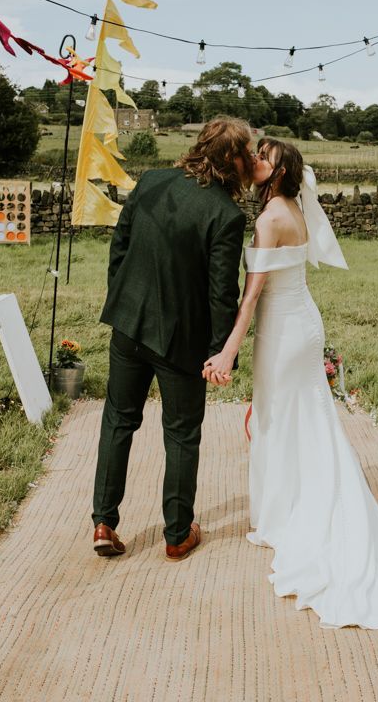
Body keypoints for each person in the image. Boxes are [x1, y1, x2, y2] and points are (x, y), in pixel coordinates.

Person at [203, 138, 378, 628]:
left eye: (264, 157)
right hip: (300, 322)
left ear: (280, 173)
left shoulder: (269, 220)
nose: (255, 159)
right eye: (256, 152)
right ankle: (291, 505)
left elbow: (250, 297)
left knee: (282, 418)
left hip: (283, 332)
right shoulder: (293, 211)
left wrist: (227, 352)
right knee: (299, 417)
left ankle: (290, 514)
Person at [92, 116, 254, 562]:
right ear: (232, 158)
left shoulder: (152, 180)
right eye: (247, 153)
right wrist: (221, 352)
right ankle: (178, 535)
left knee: (118, 420)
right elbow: (221, 294)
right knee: (181, 434)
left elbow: (119, 246)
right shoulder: (226, 214)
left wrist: (122, 300)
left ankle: (104, 522)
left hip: (128, 324)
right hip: (181, 343)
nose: (251, 160)